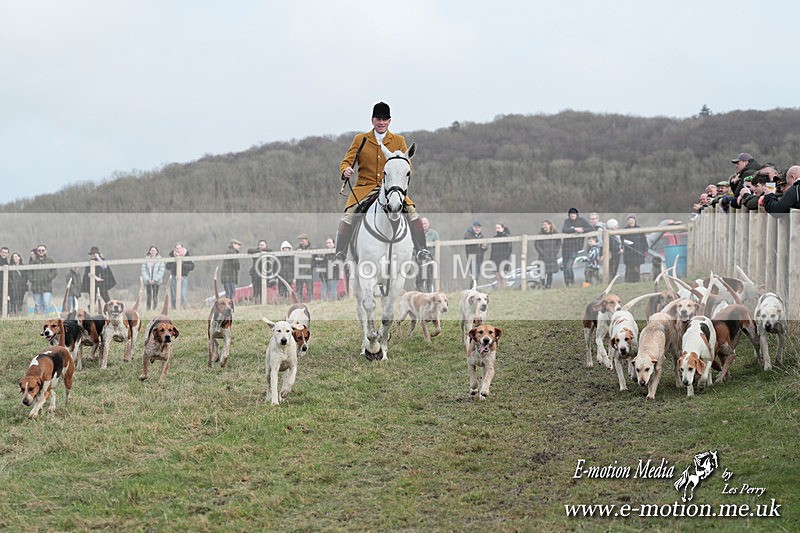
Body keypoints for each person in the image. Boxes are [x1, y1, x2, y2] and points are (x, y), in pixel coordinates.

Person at [334, 101, 432, 265]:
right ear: (372, 120)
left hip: (392, 189)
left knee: (412, 212)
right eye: (378, 119)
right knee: (349, 215)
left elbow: (407, 165)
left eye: (385, 119)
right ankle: (340, 254)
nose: (381, 123)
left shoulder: (398, 140)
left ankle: (422, 250)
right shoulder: (361, 139)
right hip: (365, 189)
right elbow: (346, 162)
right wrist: (345, 171)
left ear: (389, 121)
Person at [560, 208, 592, 287]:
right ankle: (568, 283)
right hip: (566, 247)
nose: (572, 215)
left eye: (574, 214)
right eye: (571, 214)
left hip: (575, 247)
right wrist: (575, 229)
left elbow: (590, 228)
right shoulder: (567, 221)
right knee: (565, 266)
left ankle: (572, 282)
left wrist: (582, 230)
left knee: (569, 266)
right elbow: (564, 229)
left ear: (576, 214)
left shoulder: (582, 221)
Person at [29, 244, 57, 314]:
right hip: (36, 287)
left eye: (42, 250)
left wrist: (49, 277)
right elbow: (29, 273)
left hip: (46, 287)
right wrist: (33, 279)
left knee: (46, 304)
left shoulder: (50, 261)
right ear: (37, 251)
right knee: (38, 305)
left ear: (45, 251)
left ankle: (46, 320)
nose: (41, 251)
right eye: (39, 250)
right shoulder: (33, 262)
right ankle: (39, 320)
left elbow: (55, 271)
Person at [165, 242, 195, 309]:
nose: (178, 249)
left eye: (179, 248)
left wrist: (183, 264)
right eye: (177, 248)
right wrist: (175, 263)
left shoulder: (187, 255)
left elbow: (192, 266)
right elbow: (167, 266)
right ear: (175, 249)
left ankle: (183, 307)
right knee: (174, 294)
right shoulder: (172, 255)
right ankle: (174, 308)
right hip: (174, 276)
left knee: (183, 294)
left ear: (182, 248)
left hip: (184, 277)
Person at [534, 219, 561, 289]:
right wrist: (541, 252)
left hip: (552, 255)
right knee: (542, 272)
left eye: (545, 225)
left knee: (550, 272)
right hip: (543, 256)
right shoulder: (540, 234)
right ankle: (542, 284)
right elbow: (536, 244)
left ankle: (549, 285)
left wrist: (555, 251)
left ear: (550, 225)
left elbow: (558, 243)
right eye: (543, 225)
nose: (544, 226)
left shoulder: (555, 233)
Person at [622, 214, 648, 283]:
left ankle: (637, 282)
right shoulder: (624, 230)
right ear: (628, 221)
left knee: (636, 268)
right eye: (629, 220)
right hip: (628, 254)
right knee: (628, 269)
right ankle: (627, 282)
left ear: (635, 221)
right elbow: (622, 240)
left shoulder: (640, 229)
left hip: (638, 253)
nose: (631, 222)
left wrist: (645, 250)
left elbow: (644, 241)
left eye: (632, 220)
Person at [416, 217, 440, 292]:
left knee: (429, 278)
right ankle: (419, 293)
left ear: (428, 224)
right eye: (422, 224)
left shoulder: (434, 234)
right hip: (419, 260)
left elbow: (437, 246)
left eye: (425, 223)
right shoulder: (416, 234)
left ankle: (431, 293)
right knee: (419, 278)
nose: (424, 225)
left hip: (430, 259)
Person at [141, 245, 166, 311]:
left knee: (155, 295)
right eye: (152, 250)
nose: (153, 251)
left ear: (157, 251)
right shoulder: (146, 259)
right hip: (148, 281)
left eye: (154, 250)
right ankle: (148, 309)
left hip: (156, 281)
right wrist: (147, 279)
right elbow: (143, 270)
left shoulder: (160, 260)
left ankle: (154, 309)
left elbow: (161, 270)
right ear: (149, 251)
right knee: (148, 296)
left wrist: (155, 279)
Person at [247, 239, 272, 304]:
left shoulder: (268, 251)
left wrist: (262, 251)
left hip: (265, 273)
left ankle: (262, 303)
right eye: (260, 245)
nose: (262, 246)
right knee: (255, 290)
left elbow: (270, 250)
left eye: (263, 245)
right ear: (258, 246)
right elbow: (249, 250)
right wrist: (260, 251)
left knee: (263, 290)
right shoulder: (255, 251)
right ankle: (255, 303)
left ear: (266, 245)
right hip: (255, 274)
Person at [315, 237, 339, 302]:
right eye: (327, 243)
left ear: (333, 244)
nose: (328, 244)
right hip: (324, 275)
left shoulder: (337, 253)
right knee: (323, 289)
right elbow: (319, 262)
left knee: (332, 289)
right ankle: (323, 302)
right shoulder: (324, 253)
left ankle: (332, 303)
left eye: (329, 243)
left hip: (333, 275)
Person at [489, 223, 512, 289]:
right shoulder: (494, 238)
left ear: (502, 228)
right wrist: (491, 258)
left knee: (503, 276)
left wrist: (505, 257)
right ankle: (499, 290)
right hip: (496, 259)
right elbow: (492, 249)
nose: (497, 229)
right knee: (497, 276)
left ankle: (505, 289)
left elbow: (509, 249)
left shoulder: (507, 237)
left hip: (504, 259)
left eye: (498, 228)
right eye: (496, 228)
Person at [295, 234, 314, 302]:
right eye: (300, 241)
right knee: (299, 289)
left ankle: (310, 301)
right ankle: (299, 302)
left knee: (310, 288)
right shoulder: (297, 250)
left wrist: (311, 267)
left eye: (302, 240)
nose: (301, 242)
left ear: (306, 240)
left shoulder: (312, 249)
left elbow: (315, 260)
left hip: (308, 272)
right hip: (299, 272)